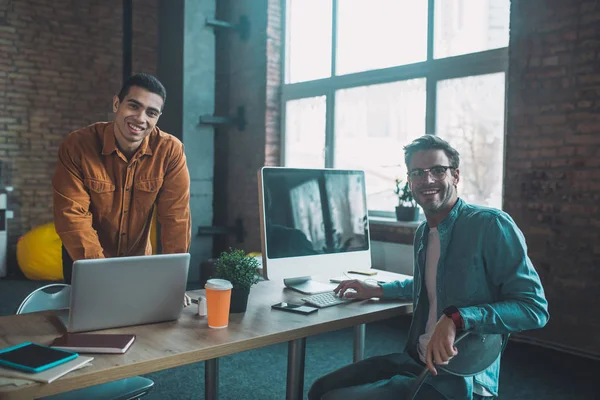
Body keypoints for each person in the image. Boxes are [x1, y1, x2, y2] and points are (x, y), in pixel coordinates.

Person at [308, 135, 549, 400]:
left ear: (455, 175)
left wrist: (457, 318)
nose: (428, 179)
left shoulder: (491, 225)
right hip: (417, 360)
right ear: (410, 180)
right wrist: (377, 289)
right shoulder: (424, 232)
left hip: (460, 377)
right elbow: (433, 283)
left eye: (437, 170)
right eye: (418, 172)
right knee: (319, 389)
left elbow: (533, 309)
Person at [52, 73, 192, 306]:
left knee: (145, 332)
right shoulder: (77, 145)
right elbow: (72, 216)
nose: (140, 118)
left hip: (138, 263)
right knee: (87, 332)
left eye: (151, 112)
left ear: (158, 117)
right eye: (134, 106)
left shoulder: (170, 151)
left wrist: (172, 281)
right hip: (86, 261)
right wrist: (102, 277)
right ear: (117, 104)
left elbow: (176, 218)